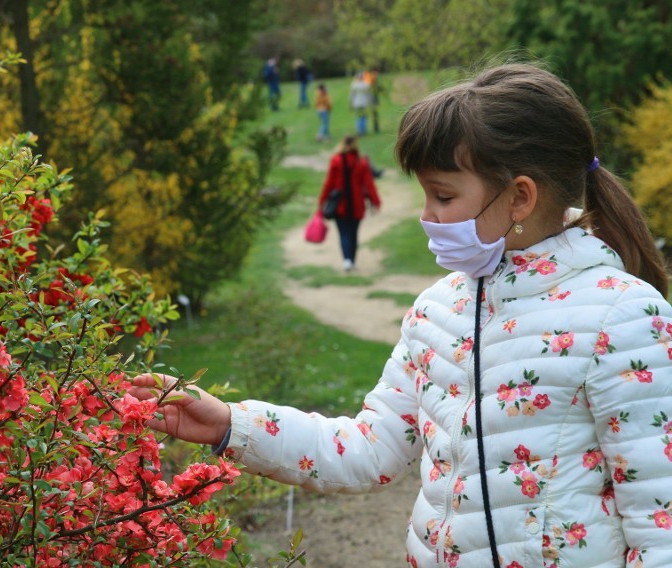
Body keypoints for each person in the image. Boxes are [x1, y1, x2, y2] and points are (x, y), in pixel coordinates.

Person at [131, 62, 672, 567]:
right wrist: (231, 424)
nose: (427, 216)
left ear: (520, 198)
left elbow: (660, 523)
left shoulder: (623, 320)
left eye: (442, 196)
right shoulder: (439, 311)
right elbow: (370, 449)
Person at [316, 134, 381, 271]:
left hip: (340, 204)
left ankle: (347, 260)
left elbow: (329, 183)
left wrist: (322, 201)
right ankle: (352, 259)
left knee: (344, 233)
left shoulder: (336, 160)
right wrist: (376, 202)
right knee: (354, 233)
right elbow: (369, 184)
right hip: (357, 204)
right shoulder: (362, 162)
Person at [349, 71, 372, 136]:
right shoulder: (366, 85)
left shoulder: (354, 85)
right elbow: (369, 95)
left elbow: (352, 95)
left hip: (356, 103)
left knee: (359, 117)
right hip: (364, 103)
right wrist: (370, 102)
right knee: (364, 116)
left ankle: (359, 130)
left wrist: (351, 104)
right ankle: (363, 130)